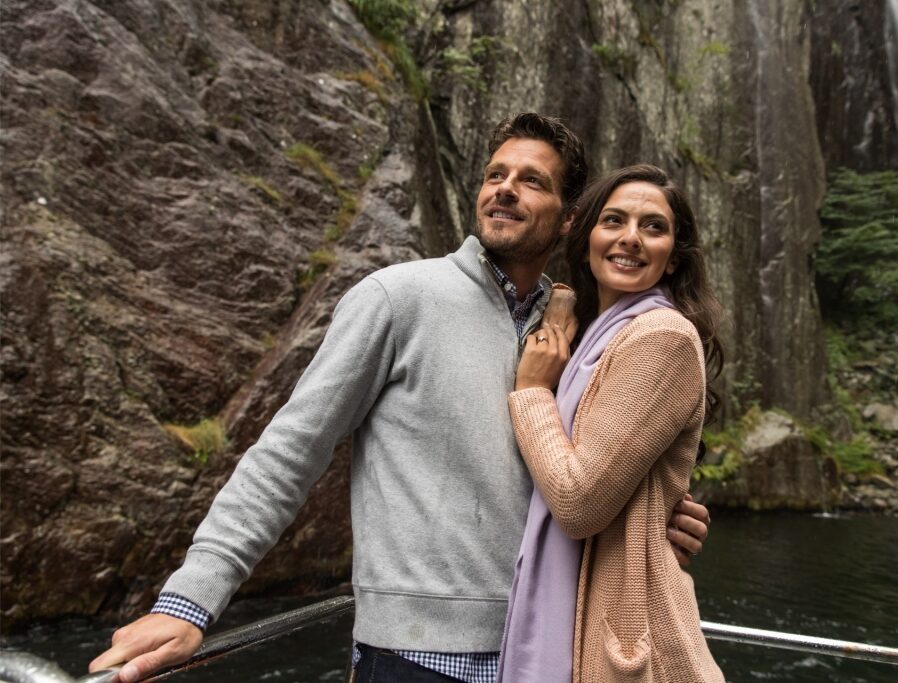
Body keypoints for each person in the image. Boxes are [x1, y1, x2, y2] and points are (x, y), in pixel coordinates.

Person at [89, 115, 712, 683]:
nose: (504, 190)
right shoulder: (396, 298)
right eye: (495, 175)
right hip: (412, 658)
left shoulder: (573, 329)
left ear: (569, 217)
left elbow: (585, 471)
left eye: (531, 181)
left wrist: (653, 518)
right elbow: (290, 450)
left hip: (544, 651)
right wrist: (190, 600)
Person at [498, 165, 725, 682]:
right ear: (586, 242)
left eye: (653, 227)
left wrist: (532, 391)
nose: (631, 238)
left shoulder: (661, 337)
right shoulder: (588, 340)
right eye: (614, 220)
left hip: (630, 634)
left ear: (673, 258)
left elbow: (579, 503)